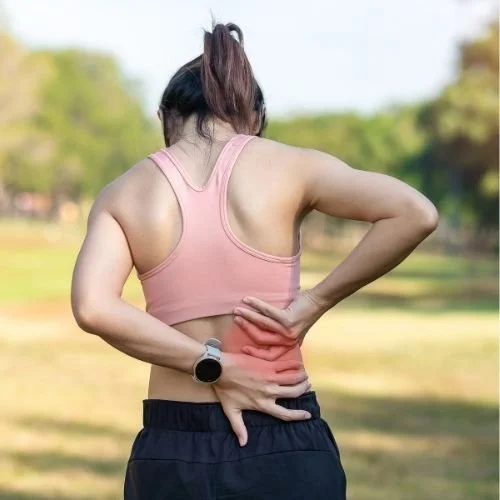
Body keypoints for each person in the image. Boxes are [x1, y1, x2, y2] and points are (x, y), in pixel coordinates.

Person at [70, 21, 439, 500]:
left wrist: (212, 367)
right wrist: (313, 302)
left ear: (165, 115)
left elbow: (93, 307)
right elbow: (415, 212)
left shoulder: (124, 192)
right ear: (257, 117)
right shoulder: (292, 166)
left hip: (171, 451)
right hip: (282, 431)